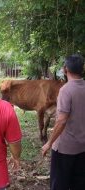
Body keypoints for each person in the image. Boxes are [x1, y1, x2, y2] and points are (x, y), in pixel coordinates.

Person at [42, 54, 85, 190]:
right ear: (82, 69)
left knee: (59, 184)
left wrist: (48, 143)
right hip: (82, 147)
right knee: (79, 183)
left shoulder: (66, 90)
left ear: (65, 69)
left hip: (65, 149)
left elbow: (61, 121)